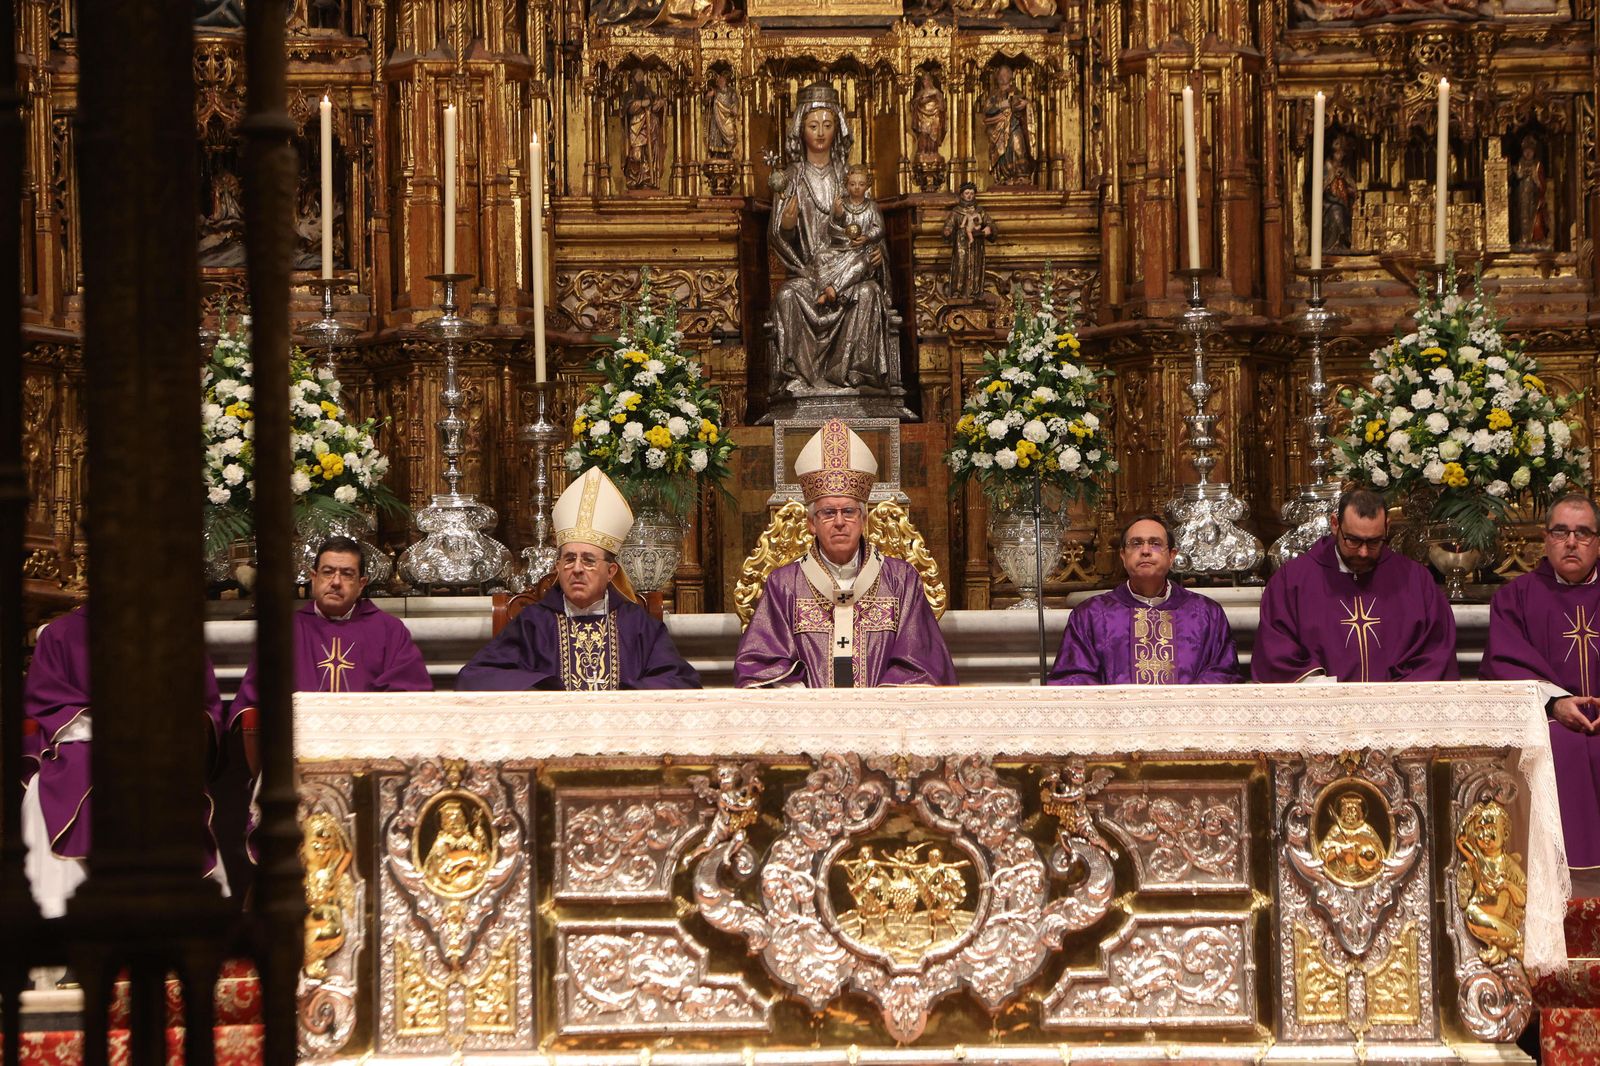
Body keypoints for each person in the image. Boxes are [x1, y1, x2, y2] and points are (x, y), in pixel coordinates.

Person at [22, 604, 228, 919]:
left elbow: (200, 701)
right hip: (83, 742)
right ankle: (60, 913)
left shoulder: (173, 632)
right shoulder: (60, 634)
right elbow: (45, 702)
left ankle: (172, 911)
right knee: (53, 786)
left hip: (156, 744)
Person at [734, 419, 956, 688]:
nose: (839, 522)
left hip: (882, 721)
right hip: (807, 723)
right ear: (811, 523)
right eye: (828, 512)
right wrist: (798, 698)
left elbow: (921, 662)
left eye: (849, 511)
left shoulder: (901, 580)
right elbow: (760, 663)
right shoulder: (783, 584)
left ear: (864, 520)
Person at [456, 467, 700, 690]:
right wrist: (543, 688)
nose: (578, 568)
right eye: (569, 559)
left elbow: (681, 681)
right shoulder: (534, 624)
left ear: (611, 572)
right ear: (558, 567)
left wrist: (625, 696)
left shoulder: (637, 625)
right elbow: (473, 677)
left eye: (589, 560)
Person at [1480, 493, 1600, 888]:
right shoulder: (1514, 599)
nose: (1571, 542)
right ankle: (1566, 887)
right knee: (1559, 746)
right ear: (1545, 540)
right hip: (1548, 722)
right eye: (1561, 532)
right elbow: (1503, 665)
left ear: (1597, 542)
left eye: (1583, 533)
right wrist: (1555, 703)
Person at [767, 83, 899, 396]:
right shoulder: (792, 176)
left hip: (848, 272)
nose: (821, 133)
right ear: (801, 129)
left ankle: (852, 374)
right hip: (809, 271)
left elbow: (870, 223)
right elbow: (778, 235)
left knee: (868, 293)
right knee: (787, 297)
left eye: (827, 125)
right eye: (813, 125)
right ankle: (798, 379)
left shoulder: (850, 176)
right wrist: (787, 221)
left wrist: (877, 253)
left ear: (837, 129)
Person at [1253, 487, 1458, 683]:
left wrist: (1392, 697)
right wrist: (1329, 692)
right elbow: (1276, 650)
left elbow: (1436, 649)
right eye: (1353, 540)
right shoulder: (1293, 581)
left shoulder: (1416, 580)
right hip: (1323, 711)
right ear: (1335, 524)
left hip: (1398, 712)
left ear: (1387, 527)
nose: (1363, 552)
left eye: (1374, 542)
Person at [230, 535, 433, 721]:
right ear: (313, 577)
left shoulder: (389, 630)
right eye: (328, 572)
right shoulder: (282, 632)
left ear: (361, 584)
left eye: (346, 574)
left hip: (368, 750)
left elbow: (410, 699)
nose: (336, 582)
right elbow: (254, 701)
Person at [1049, 514, 1240, 685]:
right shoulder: (1091, 614)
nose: (1146, 551)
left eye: (1155, 543)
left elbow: (1223, 673)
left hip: (1187, 722)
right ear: (1123, 555)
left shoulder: (1206, 613)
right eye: (1136, 543)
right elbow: (1073, 678)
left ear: (1172, 556)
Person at [816, 165, 887, 310]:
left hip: (862, 250)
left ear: (867, 185)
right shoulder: (841, 205)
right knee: (821, 257)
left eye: (861, 184)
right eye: (852, 184)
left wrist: (867, 237)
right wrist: (838, 215)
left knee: (862, 263)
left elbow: (879, 228)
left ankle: (834, 289)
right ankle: (821, 290)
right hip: (843, 249)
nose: (856, 188)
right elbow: (833, 230)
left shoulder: (872, 207)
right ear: (846, 185)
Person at [980, 64, 1035, 186]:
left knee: (1018, 146)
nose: (1002, 77)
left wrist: (1026, 104)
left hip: (1014, 126)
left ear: (1010, 76)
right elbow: (987, 110)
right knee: (1002, 153)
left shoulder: (1015, 91)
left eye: (1005, 74)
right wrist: (1001, 105)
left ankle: (1021, 175)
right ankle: (1004, 177)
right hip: (998, 130)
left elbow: (1023, 104)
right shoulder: (993, 95)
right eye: (1000, 74)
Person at [943, 182, 996, 301]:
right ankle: (958, 291)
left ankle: (974, 291)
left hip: (976, 244)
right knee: (961, 265)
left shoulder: (980, 211)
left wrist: (989, 230)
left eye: (972, 193)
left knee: (975, 266)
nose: (969, 196)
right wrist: (948, 231)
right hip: (961, 243)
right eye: (967, 193)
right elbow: (949, 225)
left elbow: (990, 225)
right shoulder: (956, 212)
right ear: (961, 195)